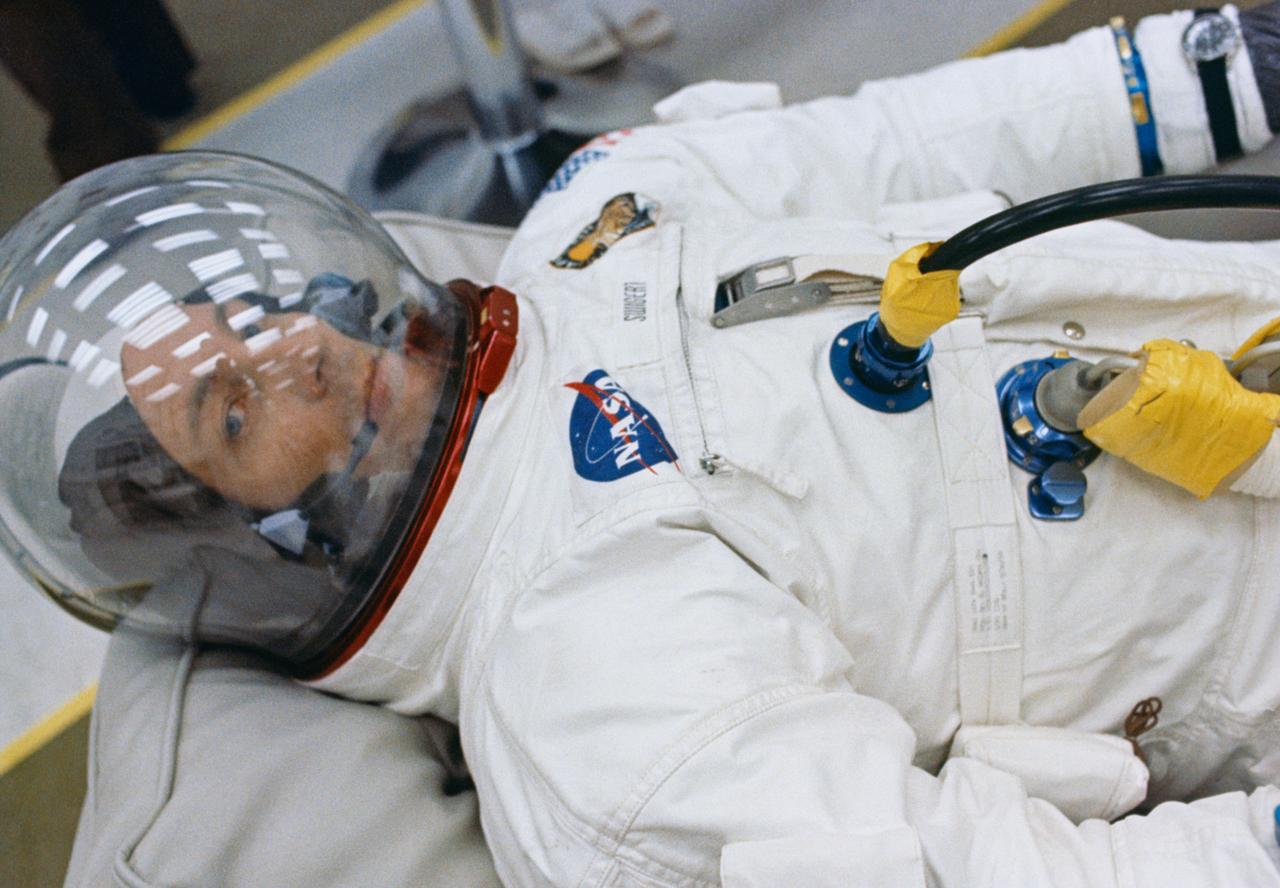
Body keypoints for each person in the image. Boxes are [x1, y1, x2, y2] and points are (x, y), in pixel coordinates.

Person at [6, 4, 1280, 885]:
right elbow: (995, 873)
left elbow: (897, 135)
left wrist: (1208, 69)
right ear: (266, 541)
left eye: (244, 315)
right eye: (234, 413)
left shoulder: (591, 218)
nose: (285, 346)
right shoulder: (587, 709)